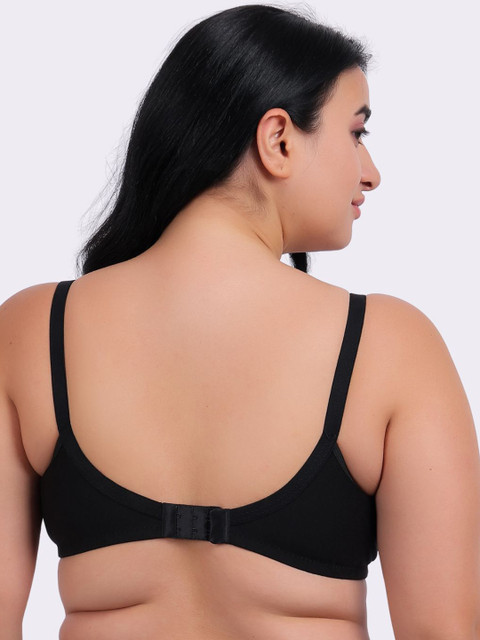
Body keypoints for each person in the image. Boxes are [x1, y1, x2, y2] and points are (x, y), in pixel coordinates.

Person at [1, 4, 479, 639]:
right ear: (278, 139)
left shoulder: (31, 331)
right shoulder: (391, 347)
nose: (371, 174)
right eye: (356, 133)